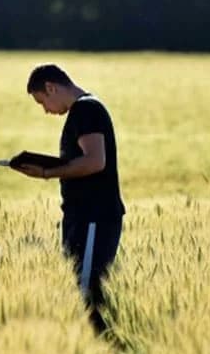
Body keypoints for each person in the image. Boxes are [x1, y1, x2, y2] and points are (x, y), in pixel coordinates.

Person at [14, 64, 126, 334]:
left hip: (93, 218)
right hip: (83, 219)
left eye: (43, 101)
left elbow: (95, 161)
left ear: (51, 87)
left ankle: (101, 352)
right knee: (80, 288)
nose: (46, 110)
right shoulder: (84, 111)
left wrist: (47, 172)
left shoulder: (87, 110)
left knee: (88, 293)